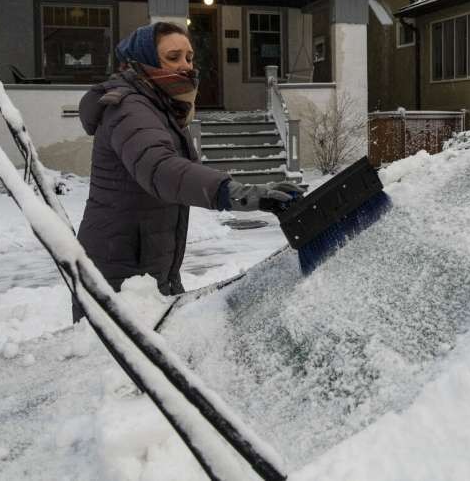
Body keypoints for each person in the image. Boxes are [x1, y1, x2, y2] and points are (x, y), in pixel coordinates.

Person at [73, 22, 304, 323]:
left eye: (189, 57)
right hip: (117, 269)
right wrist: (234, 192)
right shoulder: (129, 107)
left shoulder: (158, 105)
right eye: (173, 57)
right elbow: (162, 169)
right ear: (144, 60)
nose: (185, 66)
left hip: (147, 261)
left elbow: (180, 168)